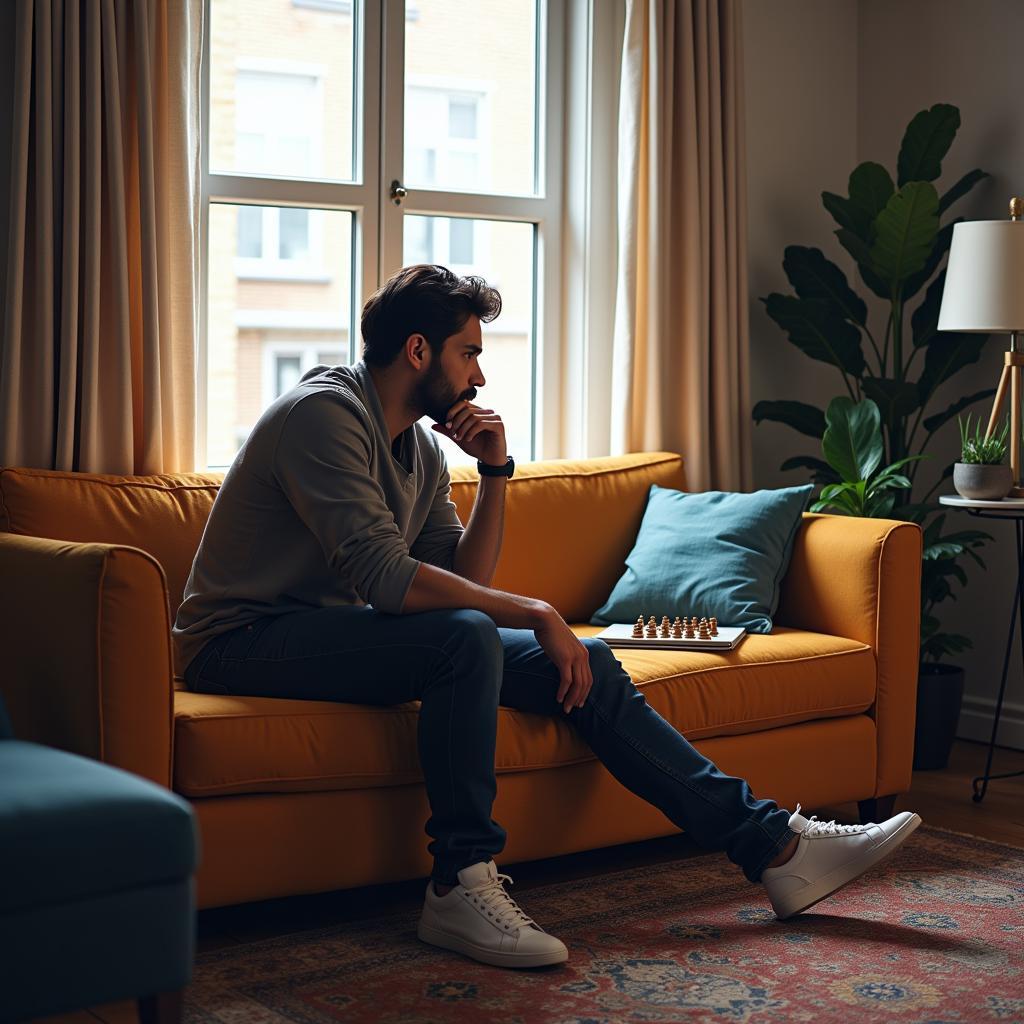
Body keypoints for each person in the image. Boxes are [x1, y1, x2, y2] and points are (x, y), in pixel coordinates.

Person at [173, 264, 922, 970]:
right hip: (242, 642)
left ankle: (775, 851)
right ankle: (459, 883)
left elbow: (459, 579)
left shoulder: (423, 452)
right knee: (466, 638)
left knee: (587, 663)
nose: (480, 375)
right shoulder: (323, 416)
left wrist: (495, 474)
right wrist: (537, 611)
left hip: (336, 638)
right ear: (417, 349)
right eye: (469, 353)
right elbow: (387, 581)